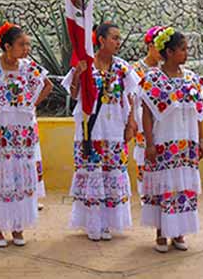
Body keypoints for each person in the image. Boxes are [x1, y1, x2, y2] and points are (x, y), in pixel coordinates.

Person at [0, 22, 52, 248]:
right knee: (0, 178)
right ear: (7, 46)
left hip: (22, 133)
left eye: (28, 44)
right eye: (22, 44)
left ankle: (18, 227)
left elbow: (46, 85)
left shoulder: (28, 67)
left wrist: (30, 104)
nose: (26, 48)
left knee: (20, 178)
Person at [62, 22, 140, 242]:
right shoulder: (86, 64)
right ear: (101, 39)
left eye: (118, 38)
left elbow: (132, 97)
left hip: (115, 128)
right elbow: (74, 95)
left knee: (111, 172)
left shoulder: (123, 68)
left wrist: (131, 123)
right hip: (91, 129)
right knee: (92, 173)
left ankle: (108, 223)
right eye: (114, 37)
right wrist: (78, 75)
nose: (118, 42)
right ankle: (92, 222)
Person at [139, 27, 203, 253]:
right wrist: (149, 143)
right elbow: (146, 113)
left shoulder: (191, 79)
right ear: (168, 52)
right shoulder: (153, 79)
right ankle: (161, 232)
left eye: (186, 49)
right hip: (164, 141)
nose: (186, 54)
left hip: (186, 142)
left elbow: (199, 112)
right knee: (164, 184)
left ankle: (179, 233)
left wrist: (202, 140)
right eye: (182, 50)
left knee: (183, 185)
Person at [131, 25, 166, 198]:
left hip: (162, 117)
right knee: (142, 154)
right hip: (142, 116)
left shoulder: (166, 69)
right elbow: (132, 96)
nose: (161, 51)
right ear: (150, 46)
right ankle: (144, 192)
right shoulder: (137, 69)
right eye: (158, 47)